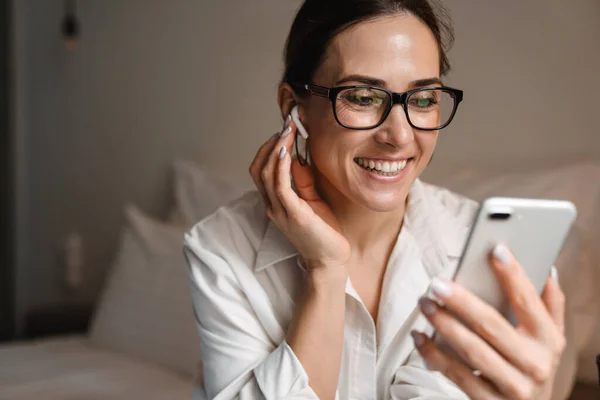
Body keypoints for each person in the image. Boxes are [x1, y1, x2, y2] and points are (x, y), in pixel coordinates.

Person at [183, 1, 566, 399]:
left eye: (422, 100)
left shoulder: (487, 251)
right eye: (364, 97)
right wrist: (326, 271)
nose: (399, 136)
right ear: (293, 108)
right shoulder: (222, 250)